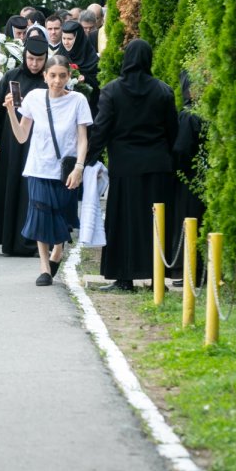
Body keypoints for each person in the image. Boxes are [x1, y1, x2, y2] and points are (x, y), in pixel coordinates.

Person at [87, 39, 178, 291]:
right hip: (157, 166)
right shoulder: (163, 91)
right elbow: (173, 131)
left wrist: (88, 160)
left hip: (125, 168)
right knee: (156, 223)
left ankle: (123, 277)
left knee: (123, 222)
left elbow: (101, 129)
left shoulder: (112, 91)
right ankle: (156, 278)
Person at [4, 54, 93, 286]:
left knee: (61, 217)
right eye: (52, 75)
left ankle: (57, 252)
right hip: (38, 167)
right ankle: (44, 266)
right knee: (40, 215)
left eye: (62, 76)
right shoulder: (33, 98)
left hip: (65, 170)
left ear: (69, 76)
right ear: (44, 76)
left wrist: (79, 168)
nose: (57, 80)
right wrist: (11, 112)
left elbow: (83, 139)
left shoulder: (78, 100)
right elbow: (22, 136)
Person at [0, 33, 49, 256]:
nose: (34, 64)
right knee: (11, 187)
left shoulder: (49, 80)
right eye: (30, 59)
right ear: (24, 56)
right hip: (12, 143)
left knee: (32, 191)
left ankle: (33, 241)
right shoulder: (12, 77)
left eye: (39, 60)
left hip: (39, 144)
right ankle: (8, 238)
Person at [168, 70, 205, 286]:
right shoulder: (209, 112)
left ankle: (190, 269)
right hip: (205, 175)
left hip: (189, 178)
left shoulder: (188, 115)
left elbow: (181, 149)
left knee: (188, 221)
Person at [60, 18, 101, 112]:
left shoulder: (91, 58)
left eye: (70, 39)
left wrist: (86, 79)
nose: (66, 42)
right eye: (64, 38)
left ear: (78, 39)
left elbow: (99, 84)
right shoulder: (59, 56)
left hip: (88, 108)